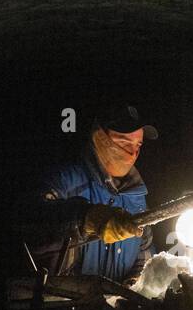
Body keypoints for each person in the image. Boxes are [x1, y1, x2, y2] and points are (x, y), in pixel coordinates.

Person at [16, 105, 158, 286]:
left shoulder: (136, 199)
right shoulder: (66, 179)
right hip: (61, 308)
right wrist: (87, 218)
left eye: (138, 145)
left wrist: (134, 284)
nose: (133, 153)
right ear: (100, 137)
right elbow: (27, 219)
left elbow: (144, 253)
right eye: (124, 142)